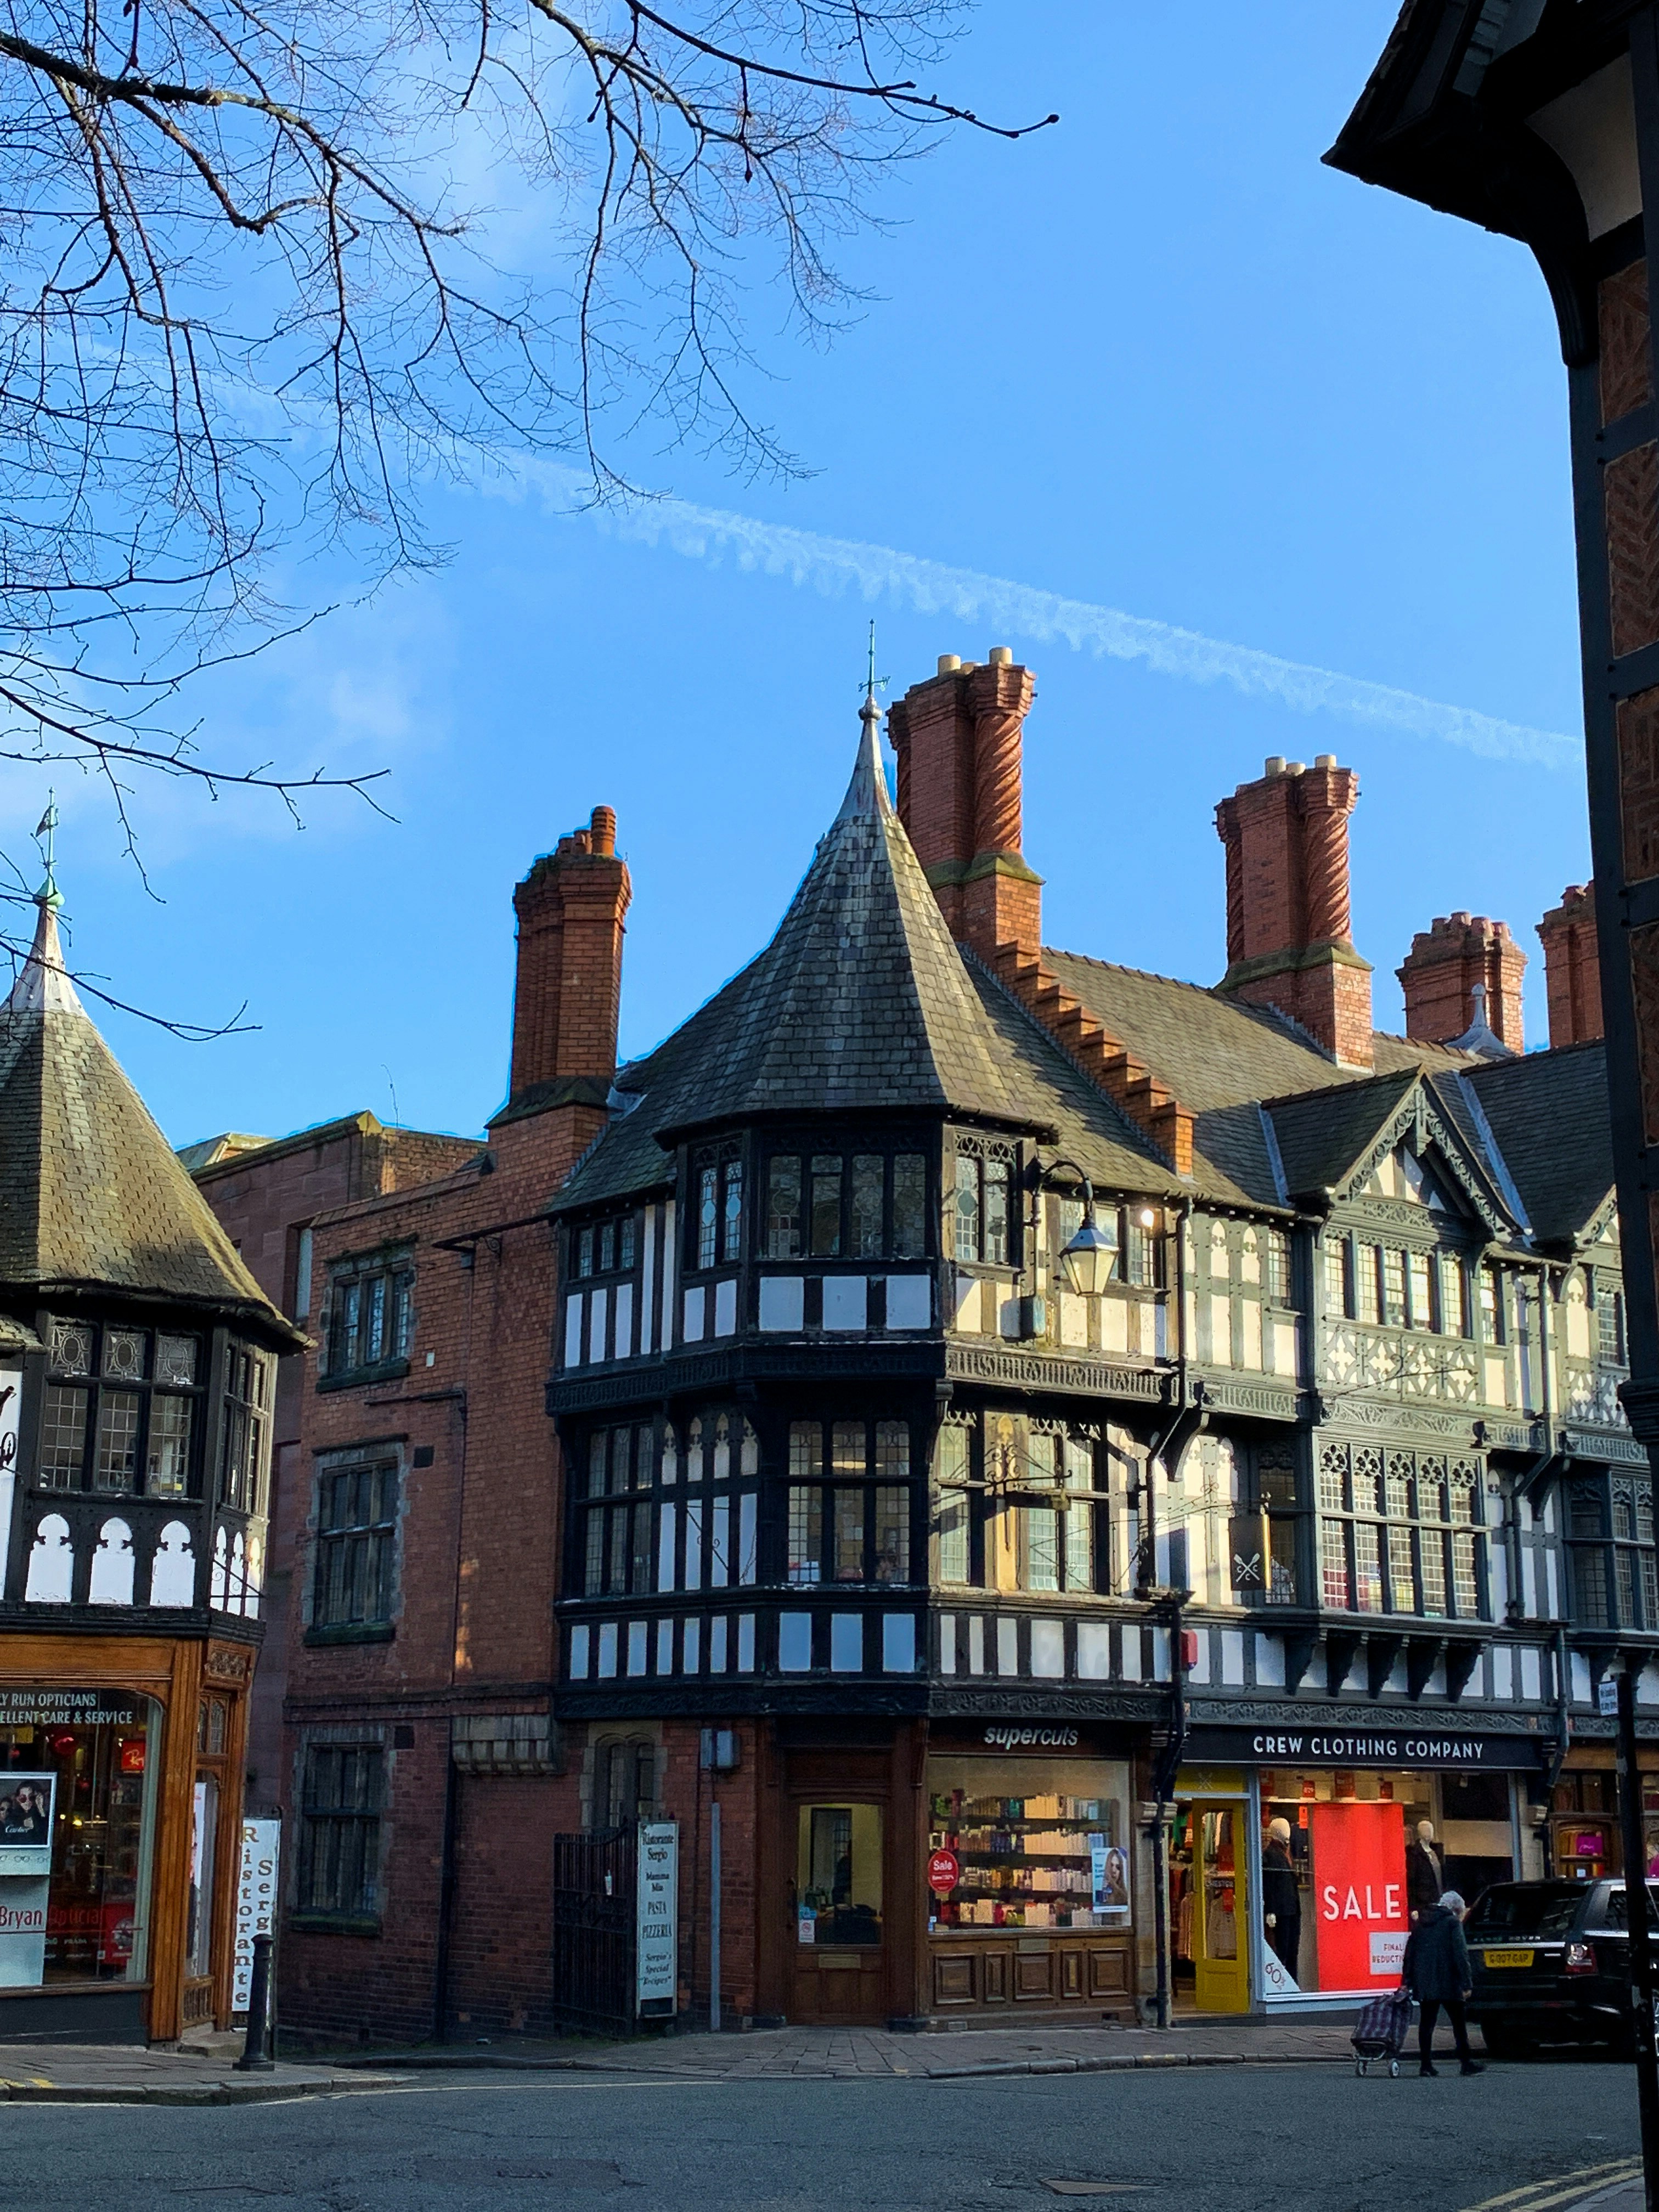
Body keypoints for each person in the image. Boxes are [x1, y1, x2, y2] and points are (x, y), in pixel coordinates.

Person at [1402, 1889, 1484, 2076]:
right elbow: (1461, 1955)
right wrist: (1467, 1983)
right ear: (1456, 1909)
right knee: (1458, 2024)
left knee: (1426, 2024)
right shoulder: (1452, 1923)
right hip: (1449, 1981)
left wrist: (1407, 1980)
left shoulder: (1421, 1922)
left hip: (1426, 1982)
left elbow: (1410, 1953)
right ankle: (1466, 2063)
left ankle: (1425, 2065)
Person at [1260, 1816, 1301, 1980]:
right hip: (1282, 1912)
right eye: (1284, 1829)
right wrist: (1270, 1911)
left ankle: (1292, 1984)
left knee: (1292, 1951)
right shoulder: (1270, 1855)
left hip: (1292, 1911)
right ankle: (1283, 1985)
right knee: (1282, 1951)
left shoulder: (1284, 1852)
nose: (1288, 1832)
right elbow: (1269, 1884)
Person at [1408, 1819, 1444, 1923]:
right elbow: (1411, 1881)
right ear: (1420, 1833)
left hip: (1438, 1900)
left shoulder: (1436, 1852)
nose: (1429, 1833)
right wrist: (1413, 1907)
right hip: (1423, 1903)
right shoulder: (1415, 1854)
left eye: (1430, 1830)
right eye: (1426, 1830)